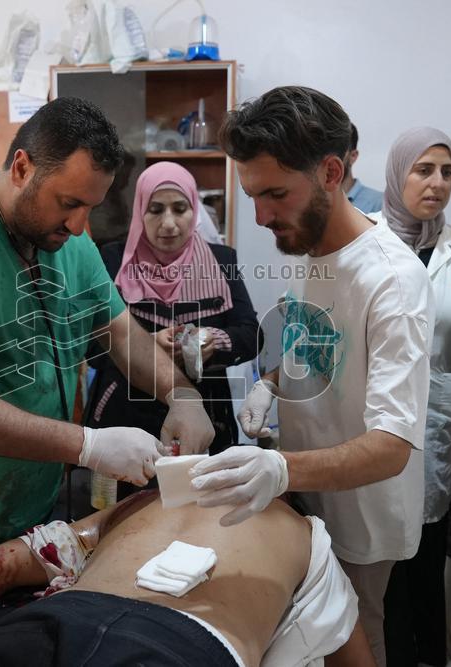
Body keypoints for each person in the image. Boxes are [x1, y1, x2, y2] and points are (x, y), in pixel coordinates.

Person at [0, 97, 216, 661]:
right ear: (21, 168)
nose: (80, 225)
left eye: (92, 207)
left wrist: (183, 394)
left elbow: (121, 333)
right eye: (68, 203)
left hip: (29, 506)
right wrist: (89, 445)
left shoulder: (70, 242)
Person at [186, 86, 434, 666]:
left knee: (354, 646)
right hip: (309, 499)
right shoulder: (315, 252)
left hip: (363, 523)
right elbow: (319, 349)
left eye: (275, 193)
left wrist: (279, 467)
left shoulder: (390, 281)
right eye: (251, 195)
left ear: (330, 171)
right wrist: (271, 383)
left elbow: (392, 446)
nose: (261, 215)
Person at [0, 489, 375, 667]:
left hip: (51, 624)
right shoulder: (305, 534)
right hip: (175, 647)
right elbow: (352, 658)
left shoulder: (146, 502)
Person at [368, 128, 451, 667]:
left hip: (433, 424)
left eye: (447, 171)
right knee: (380, 564)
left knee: (425, 558)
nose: (437, 183)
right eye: (423, 170)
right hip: (370, 423)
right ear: (397, 174)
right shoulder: (365, 239)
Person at [86, 161, 262, 457]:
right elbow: (89, 347)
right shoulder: (113, 261)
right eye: (155, 210)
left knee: (202, 499)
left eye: (180, 209)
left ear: (195, 210)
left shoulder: (222, 261)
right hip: (126, 419)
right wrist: (144, 346)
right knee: (127, 503)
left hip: (205, 418)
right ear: (140, 212)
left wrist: (211, 340)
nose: (169, 223)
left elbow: (252, 335)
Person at [343, 124, 384, 213]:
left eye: (338, 152)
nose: (328, 158)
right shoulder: (316, 202)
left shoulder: (379, 203)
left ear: (353, 156)